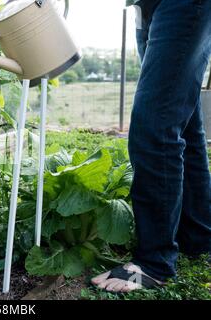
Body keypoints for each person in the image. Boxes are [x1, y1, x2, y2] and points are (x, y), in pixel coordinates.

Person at [91, 0, 211, 293]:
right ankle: (198, 236)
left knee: (153, 125)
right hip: (147, 7)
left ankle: (154, 262)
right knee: (183, 122)